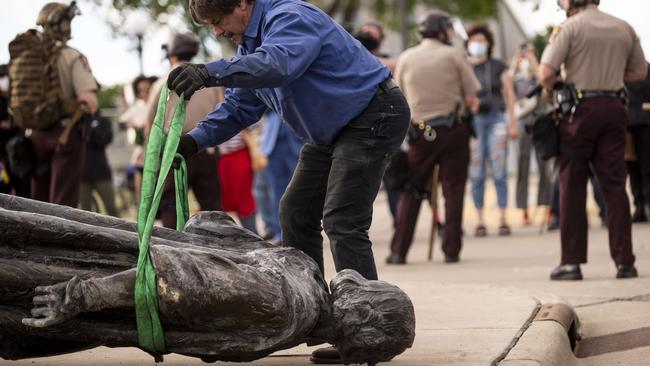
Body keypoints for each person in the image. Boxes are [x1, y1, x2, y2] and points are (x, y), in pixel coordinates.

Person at [167, 1, 410, 361]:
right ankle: (315, 317)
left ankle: (367, 333)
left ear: (243, 3)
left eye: (219, 21)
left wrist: (209, 72)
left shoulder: (289, 18)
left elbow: (278, 65)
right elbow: (240, 108)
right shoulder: (250, 47)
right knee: (295, 212)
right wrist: (194, 141)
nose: (217, 31)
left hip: (372, 114)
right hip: (330, 133)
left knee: (343, 218)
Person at [0, 193, 415, 365]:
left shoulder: (303, 274)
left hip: (118, 257)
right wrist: (83, 296)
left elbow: (211, 229)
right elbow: (173, 279)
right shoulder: (286, 305)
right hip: (99, 275)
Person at [538, 0, 647, 280]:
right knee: (614, 184)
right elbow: (640, 72)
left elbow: (545, 73)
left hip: (579, 113)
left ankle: (571, 263)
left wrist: (566, 81)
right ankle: (625, 261)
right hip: (614, 108)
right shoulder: (623, 27)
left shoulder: (569, 27)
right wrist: (609, 73)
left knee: (571, 184)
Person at [387, 10, 480, 265]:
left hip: (420, 133)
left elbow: (398, 96)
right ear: (441, 30)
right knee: (453, 190)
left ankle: (399, 251)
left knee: (412, 190)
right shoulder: (454, 55)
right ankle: (451, 249)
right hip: (453, 131)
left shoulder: (406, 57)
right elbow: (472, 97)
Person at [145, 33, 223, 229]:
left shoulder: (161, 83)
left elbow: (150, 123)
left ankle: (174, 247)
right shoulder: (210, 81)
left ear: (171, 55)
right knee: (211, 205)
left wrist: (154, 155)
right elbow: (222, 111)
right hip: (205, 148)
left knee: (171, 204)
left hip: (174, 151)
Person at [27, 2, 98, 207]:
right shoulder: (71, 55)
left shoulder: (29, 56)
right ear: (63, 24)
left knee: (36, 205)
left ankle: (35, 239)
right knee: (62, 204)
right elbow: (89, 101)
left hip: (34, 137)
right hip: (65, 135)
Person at [466, 23, 517, 237]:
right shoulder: (464, 66)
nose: (478, 44)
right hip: (474, 122)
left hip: (497, 119)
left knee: (499, 170)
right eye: (474, 41)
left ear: (488, 43)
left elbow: (510, 95)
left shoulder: (498, 65)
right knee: (476, 173)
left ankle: (503, 218)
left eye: (482, 41)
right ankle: (479, 220)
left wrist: (512, 123)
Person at [511, 43, 551, 225]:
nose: (525, 57)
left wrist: (535, 63)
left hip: (540, 122)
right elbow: (506, 90)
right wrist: (514, 64)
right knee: (523, 165)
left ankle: (546, 205)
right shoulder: (515, 78)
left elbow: (545, 86)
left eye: (528, 53)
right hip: (522, 124)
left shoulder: (539, 75)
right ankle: (523, 209)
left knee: (544, 165)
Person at [259, 110, 303, 244]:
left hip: (298, 142)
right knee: (275, 192)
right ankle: (280, 234)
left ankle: (301, 232)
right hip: (273, 144)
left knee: (300, 192)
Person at [121, 75, 154, 206]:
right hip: (143, 154)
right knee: (142, 193)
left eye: (148, 88)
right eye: (141, 89)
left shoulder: (160, 104)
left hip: (160, 155)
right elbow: (122, 122)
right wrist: (134, 126)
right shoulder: (138, 108)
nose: (145, 92)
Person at [79, 112, 118, 217]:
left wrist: (91, 128)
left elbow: (106, 139)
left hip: (101, 171)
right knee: (85, 210)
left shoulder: (102, 120)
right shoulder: (76, 122)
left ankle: (121, 231)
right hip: (81, 173)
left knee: (110, 206)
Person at [625, 62, 650, 223]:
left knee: (647, 167)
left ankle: (647, 203)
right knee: (632, 167)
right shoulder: (620, 69)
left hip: (645, 122)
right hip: (627, 123)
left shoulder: (646, 69)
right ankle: (639, 205)